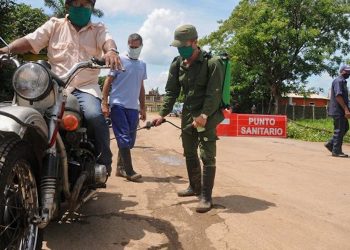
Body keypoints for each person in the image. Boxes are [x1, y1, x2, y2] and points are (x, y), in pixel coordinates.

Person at [0, 0, 123, 175]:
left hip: (84, 87)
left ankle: (104, 162)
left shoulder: (99, 29)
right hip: (53, 86)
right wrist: (7, 50)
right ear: (68, 6)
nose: (81, 8)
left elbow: (108, 42)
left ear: (91, 7)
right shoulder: (54, 25)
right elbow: (30, 40)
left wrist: (111, 51)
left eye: (85, 5)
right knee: (25, 113)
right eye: (77, 4)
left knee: (95, 116)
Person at [153, 24, 225, 213]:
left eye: (184, 45)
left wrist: (204, 115)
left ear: (195, 42)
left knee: (207, 154)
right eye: (178, 46)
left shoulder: (212, 63)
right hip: (188, 113)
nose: (181, 49)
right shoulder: (178, 64)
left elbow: (214, 94)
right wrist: (162, 114)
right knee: (189, 151)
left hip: (207, 114)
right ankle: (194, 187)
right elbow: (171, 91)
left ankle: (206, 197)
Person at [102, 33, 146, 181]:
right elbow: (108, 82)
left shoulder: (142, 65)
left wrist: (143, 107)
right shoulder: (119, 60)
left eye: (136, 46)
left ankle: (120, 168)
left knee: (130, 141)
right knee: (123, 138)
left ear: (141, 46)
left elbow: (141, 87)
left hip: (133, 108)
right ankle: (129, 171)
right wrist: (105, 103)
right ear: (127, 45)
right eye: (131, 46)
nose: (133, 49)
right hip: (118, 104)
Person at [324, 65, 350, 157]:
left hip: (340, 110)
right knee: (339, 130)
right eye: (347, 71)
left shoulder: (342, 81)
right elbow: (338, 96)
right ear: (342, 71)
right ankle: (336, 151)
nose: (348, 73)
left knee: (345, 127)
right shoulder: (338, 81)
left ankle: (331, 144)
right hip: (338, 110)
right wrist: (346, 109)